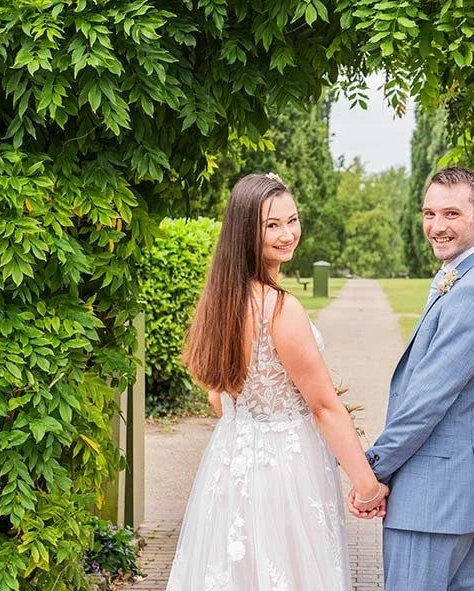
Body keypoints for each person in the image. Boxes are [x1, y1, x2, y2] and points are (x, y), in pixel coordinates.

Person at [166, 173, 388, 590]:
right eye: (272, 225)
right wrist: (367, 486)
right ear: (246, 231)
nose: (288, 234)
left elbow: (219, 401)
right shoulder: (280, 308)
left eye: (292, 220)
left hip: (229, 464)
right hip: (285, 470)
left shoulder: (219, 301)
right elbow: (324, 408)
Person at [350, 166, 474, 591]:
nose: (436, 227)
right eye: (429, 213)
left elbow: (426, 400)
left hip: (433, 499)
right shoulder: (467, 277)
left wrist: (371, 472)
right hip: (453, 497)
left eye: (451, 214)